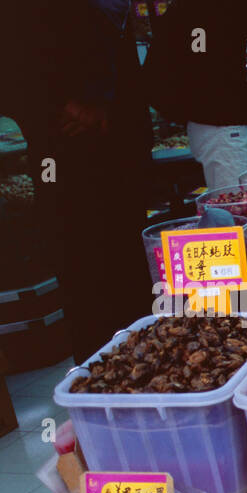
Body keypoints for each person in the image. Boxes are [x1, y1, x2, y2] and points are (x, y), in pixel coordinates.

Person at [4, 1, 152, 361]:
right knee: (87, 268)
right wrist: (59, 107)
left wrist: (101, 101)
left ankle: (138, 364)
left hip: (109, 151)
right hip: (67, 151)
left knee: (119, 265)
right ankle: (104, 375)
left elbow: (107, 55)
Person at [146, 1, 247, 189]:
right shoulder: (229, 5)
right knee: (237, 207)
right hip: (225, 125)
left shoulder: (179, 8)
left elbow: (154, 70)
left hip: (208, 124)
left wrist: (185, 112)